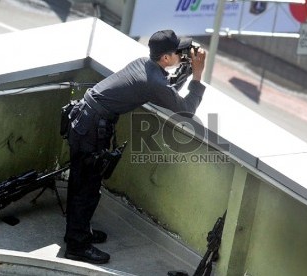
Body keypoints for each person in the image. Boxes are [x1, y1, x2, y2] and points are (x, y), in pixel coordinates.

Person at [63, 29, 207, 264]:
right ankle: (77, 245)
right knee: (86, 187)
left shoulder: (144, 64)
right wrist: (198, 76)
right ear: (166, 59)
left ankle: (80, 233)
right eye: (179, 53)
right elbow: (186, 109)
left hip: (85, 120)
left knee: (84, 183)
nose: (183, 56)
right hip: (90, 128)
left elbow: (166, 90)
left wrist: (186, 71)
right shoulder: (152, 80)